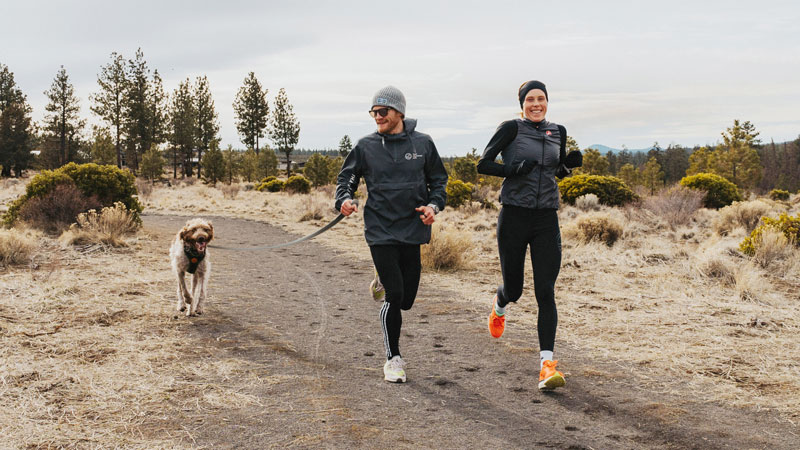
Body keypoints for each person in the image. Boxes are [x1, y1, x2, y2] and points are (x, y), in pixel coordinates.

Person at [335, 86, 448, 383]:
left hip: (412, 228)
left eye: (382, 111)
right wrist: (344, 200)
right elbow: (346, 177)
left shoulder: (423, 144)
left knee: (407, 299)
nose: (377, 117)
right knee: (395, 296)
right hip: (380, 229)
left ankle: (382, 278)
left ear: (399, 112)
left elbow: (438, 180)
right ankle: (393, 359)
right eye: (374, 112)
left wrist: (434, 205)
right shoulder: (365, 146)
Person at [477, 80, 582, 391]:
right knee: (516, 289)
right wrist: (513, 169)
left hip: (546, 218)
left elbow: (556, 169)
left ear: (547, 102)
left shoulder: (557, 131)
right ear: (522, 103)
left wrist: (569, 166)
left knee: (545, 292)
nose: (536, 104)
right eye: (530, 99)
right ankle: (500, 302)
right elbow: (483, 164)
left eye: (541, 99)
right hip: (514, 216)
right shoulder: (510, 128)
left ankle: (547, 366)